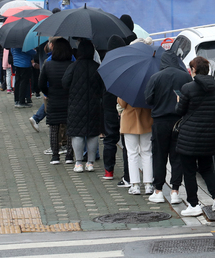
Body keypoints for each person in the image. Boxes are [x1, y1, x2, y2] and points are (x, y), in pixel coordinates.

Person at [176, 57, 215, 216]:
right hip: (209, 134)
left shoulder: (187, 88)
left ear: (194, 70)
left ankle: (193, 205)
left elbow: (180, 111)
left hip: (189, 137)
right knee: (207, 168)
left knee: (189, 171)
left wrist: (178, 101)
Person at [144, 50, 191, 204]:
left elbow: (148, 99)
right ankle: (175, 191)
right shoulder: (185, 76)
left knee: (159, 156)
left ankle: (158, 190)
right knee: (177, 158)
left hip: (160, 122)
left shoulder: (155, 77)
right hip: (179, 122)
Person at [62, 40, 104, 173]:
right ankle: (90, 163)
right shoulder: (97, 67)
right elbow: (103, 87)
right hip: (94, 105)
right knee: (92, 134)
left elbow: (65, 83)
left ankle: (79, 163)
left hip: (76, 105)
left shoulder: (73, 66)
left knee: (77, 134)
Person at [119, 37, 155, 195]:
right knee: (147, 152)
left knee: (132, 153)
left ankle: (135, 185)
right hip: (147, 118)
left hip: (130, 120)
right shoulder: (153, 73)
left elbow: (122, 103)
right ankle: (149, 184)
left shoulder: (128, 73)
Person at [40, 38, 75, 165]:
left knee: (54, 128)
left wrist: (48, 93)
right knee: (70, 128)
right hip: (69, 100)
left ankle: (55, 156)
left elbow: (41, 83)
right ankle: (70, 156)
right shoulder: (71, 65)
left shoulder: (48, 64)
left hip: (53, 99)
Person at [101, 36, 127, 181]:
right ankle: (127, 174)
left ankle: (108, 171)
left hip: (109, 106)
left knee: (110, 139)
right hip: (125, 107)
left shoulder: (105, 64)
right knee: (126, 142)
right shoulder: (128, 62)